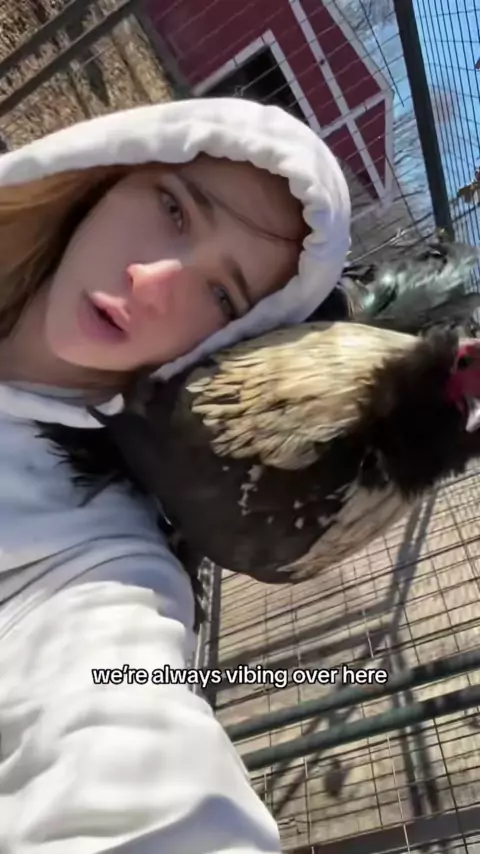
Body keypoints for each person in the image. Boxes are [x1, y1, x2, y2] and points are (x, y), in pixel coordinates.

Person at [0, 97, 351, 852]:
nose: (153, 281)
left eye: (221, 295)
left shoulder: (94, 551)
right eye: (173, 208)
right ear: (105, 174)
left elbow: (122, 729)